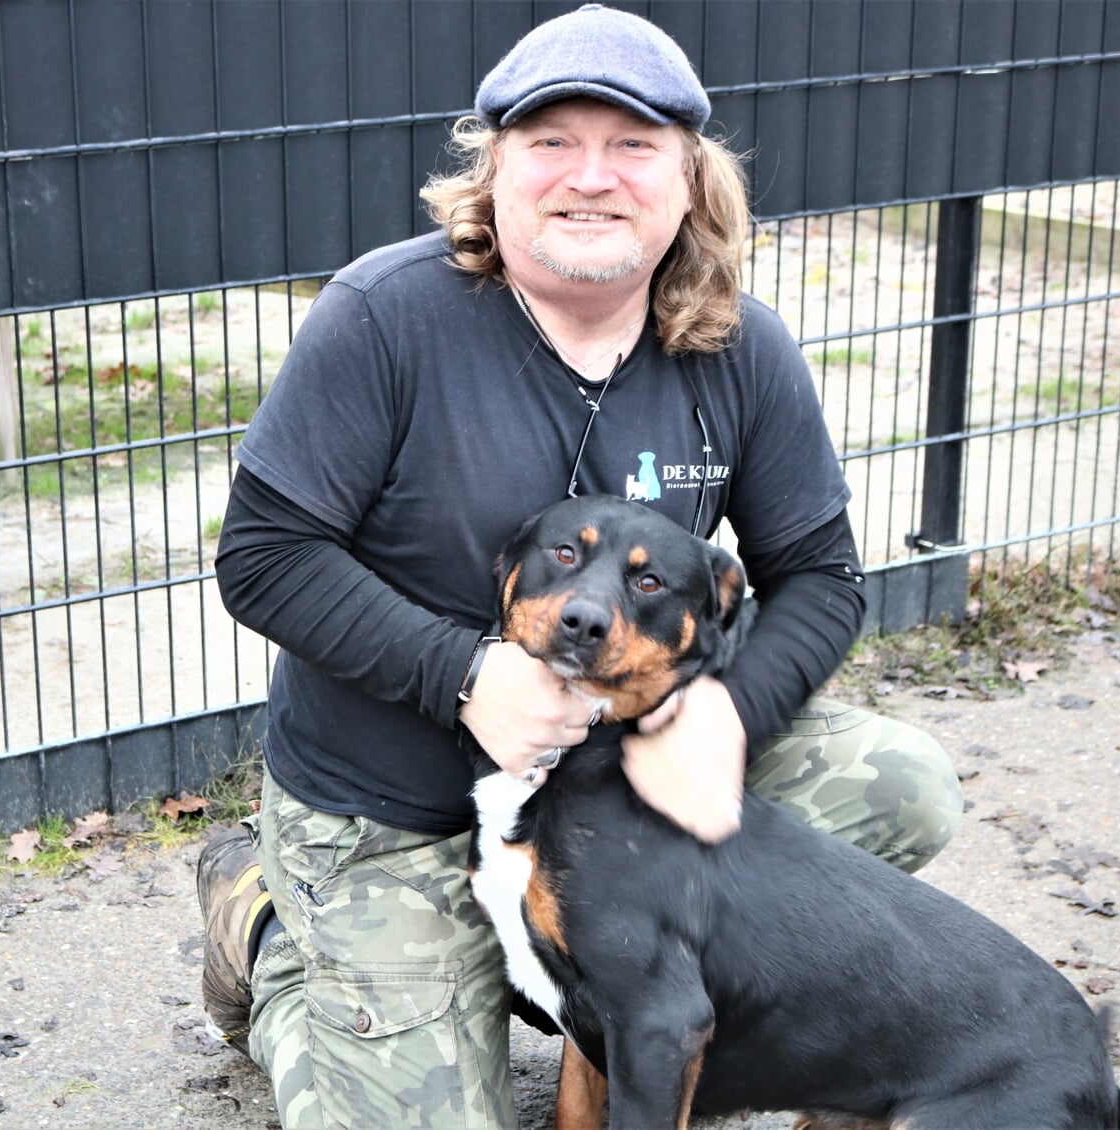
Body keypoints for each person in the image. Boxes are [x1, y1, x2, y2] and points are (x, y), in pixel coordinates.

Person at [199, 5, 963, 1126]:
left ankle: (646, 993)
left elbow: (822, 575)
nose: (590, 177)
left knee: (902, 783)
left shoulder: (738, 346)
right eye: (552, 141)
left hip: (621, 796)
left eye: (633, 145)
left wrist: (728, 715)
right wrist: (461, 672)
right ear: (494, 166)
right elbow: (264, 557)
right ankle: (270, 934)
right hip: (393, 801)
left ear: (688, 180)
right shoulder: (384, 319)